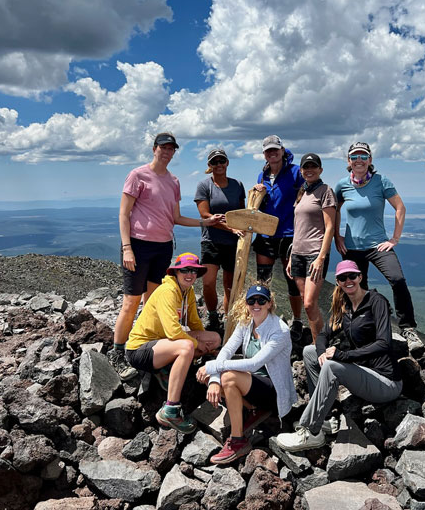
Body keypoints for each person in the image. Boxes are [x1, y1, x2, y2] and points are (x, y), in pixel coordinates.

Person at [110, 132, 225, 380]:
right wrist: (127, 247)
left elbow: (175, 218)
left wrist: (206, 222)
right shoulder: (137, 175)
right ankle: (118, 352)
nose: (167, 151)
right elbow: (123, 214)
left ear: (174, 152)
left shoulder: (173, 181)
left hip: (163, 247)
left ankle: (156, 350)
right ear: (154, 149)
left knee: (153, 302)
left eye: (171, 148)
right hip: (138, 245)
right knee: (131, 302)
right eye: (163, 147)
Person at [276, 260, 402, 451]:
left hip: (386, 382)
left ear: (360, 277)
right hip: (364, 372)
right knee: (309, 352)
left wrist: (343, 355)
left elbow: (384, 343)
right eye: (343, 278)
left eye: (352, 276)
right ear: (338, 282)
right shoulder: (345, 307)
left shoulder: (377, 302)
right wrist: (321, 353)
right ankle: (323, 418)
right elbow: (324, 335)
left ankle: (311, 432)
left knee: (332, 366)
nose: (348, 280)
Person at [195, 284, 296, 464]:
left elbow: (254, 362)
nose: (256, 304)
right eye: (251, 300)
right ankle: (252, 409)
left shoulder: (280, 330)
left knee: (227, 376)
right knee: (214, 377)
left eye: (261, 300)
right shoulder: (246, 322)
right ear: (246, 303)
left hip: (273, 389)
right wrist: (214, 380)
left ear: (269, 303)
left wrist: (212, 368)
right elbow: (226, 350)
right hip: (253, 383)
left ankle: (237, 440)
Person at [333, 142, 420, 347]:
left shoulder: (381, 181)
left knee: (397, 279)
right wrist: (337, 236)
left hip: (378, 245)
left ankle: (407, 328)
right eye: (354, 156)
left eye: (363, 156)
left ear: (370, 160)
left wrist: (394, 239)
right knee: (355, 289)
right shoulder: (342, 185)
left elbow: (400, 208)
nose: (359, 160)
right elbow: (334, 210)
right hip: (352, 247)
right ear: (349, 161)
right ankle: (360, 329)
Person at [125, 252, 221, 434]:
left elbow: (194, 323)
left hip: (161, 345)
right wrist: (196, 344)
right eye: (185, 270)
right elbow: (173, 331)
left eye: (194, 270)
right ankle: (171, 409)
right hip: (139, 350)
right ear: (175, 272)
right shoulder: (167, 291)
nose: (190, 274)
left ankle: (167, 369)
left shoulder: (188, 292)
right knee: (186, 347)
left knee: (214, 338)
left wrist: (205, 342)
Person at [252, 135, 305, 340]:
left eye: (276, 149)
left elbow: (304, 193)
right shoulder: (262, 175)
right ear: (264, 154)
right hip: (266, 233)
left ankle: (297, 320)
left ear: (283, 151)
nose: (272, 153)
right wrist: (258, 193)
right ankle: (264, 320)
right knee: (263, 280)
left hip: (289, 233)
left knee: (291, 280)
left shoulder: (294, 172)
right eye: (268, 150)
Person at [286, 152, 336, 342]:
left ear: (320, 169)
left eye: (313, 166)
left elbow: (330, 226)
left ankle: (320, 346)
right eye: (306, 167)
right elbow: (299, 227)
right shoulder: (302, 192)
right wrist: (291, 256)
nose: (309, 170)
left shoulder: (325, 191)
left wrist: (322, 257)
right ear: (301, 170)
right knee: (306, 301)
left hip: (315, 254)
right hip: (297, 253)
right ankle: (318, 342)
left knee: (308, 303)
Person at [194, 148, 246, 331]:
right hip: (211, 241)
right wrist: (230, 228)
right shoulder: (204, 186)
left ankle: (228, 320)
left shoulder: (237, 185)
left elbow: (242, 212)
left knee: (229, 286)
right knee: (208, 283)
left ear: (227, 162)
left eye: (221, 161)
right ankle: (212, 315)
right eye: (214, 162)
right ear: (209, 165)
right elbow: (205, 216)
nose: (219, 165)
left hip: (233, 243)